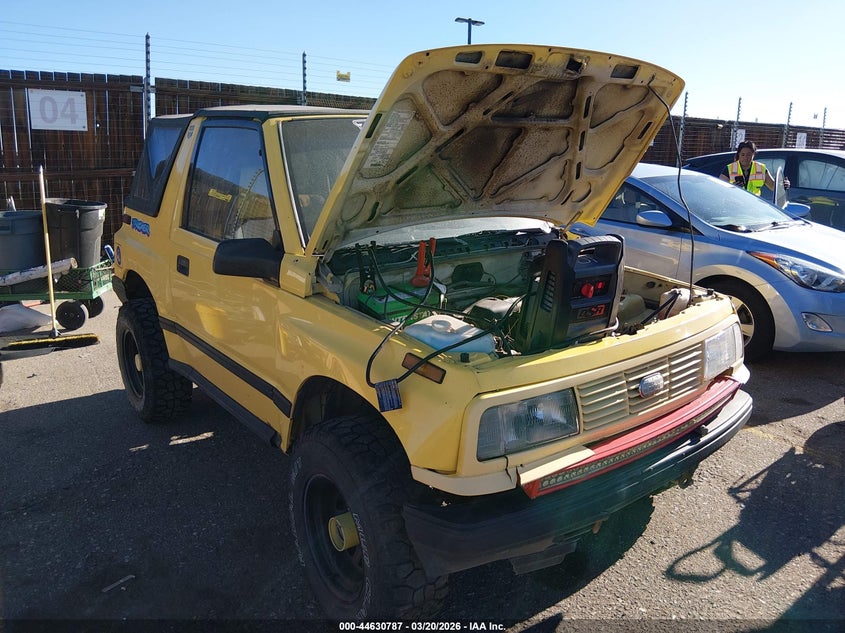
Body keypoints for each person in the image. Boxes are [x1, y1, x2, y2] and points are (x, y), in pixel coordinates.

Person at [719, 140, 789, 195]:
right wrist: (732, 187)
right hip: (734, 205)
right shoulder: (729, 169)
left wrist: (783, 185)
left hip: (753, 206)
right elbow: (720, 188)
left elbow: (773, 187)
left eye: (749, 155)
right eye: (743, 155)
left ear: (754, 155)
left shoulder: (761, 168)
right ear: (738, 154)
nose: (745, 157)